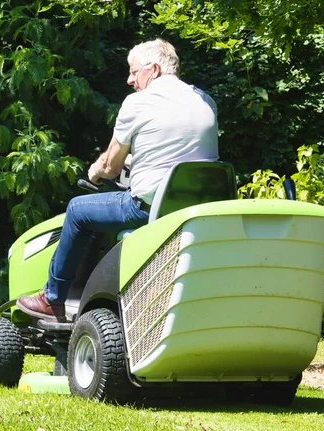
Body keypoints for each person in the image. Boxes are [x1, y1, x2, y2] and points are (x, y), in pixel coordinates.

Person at [17, 38, 219, 322]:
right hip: (197, 211)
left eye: (134, 71)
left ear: (154, 69)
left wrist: (96, 171)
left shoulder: (139, 103)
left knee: (77, 210)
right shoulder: (204, 100)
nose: (129, 79)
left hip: (149, 210)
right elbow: (182, 153)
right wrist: (136, 160)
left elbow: (111, 166)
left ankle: (52, 298)